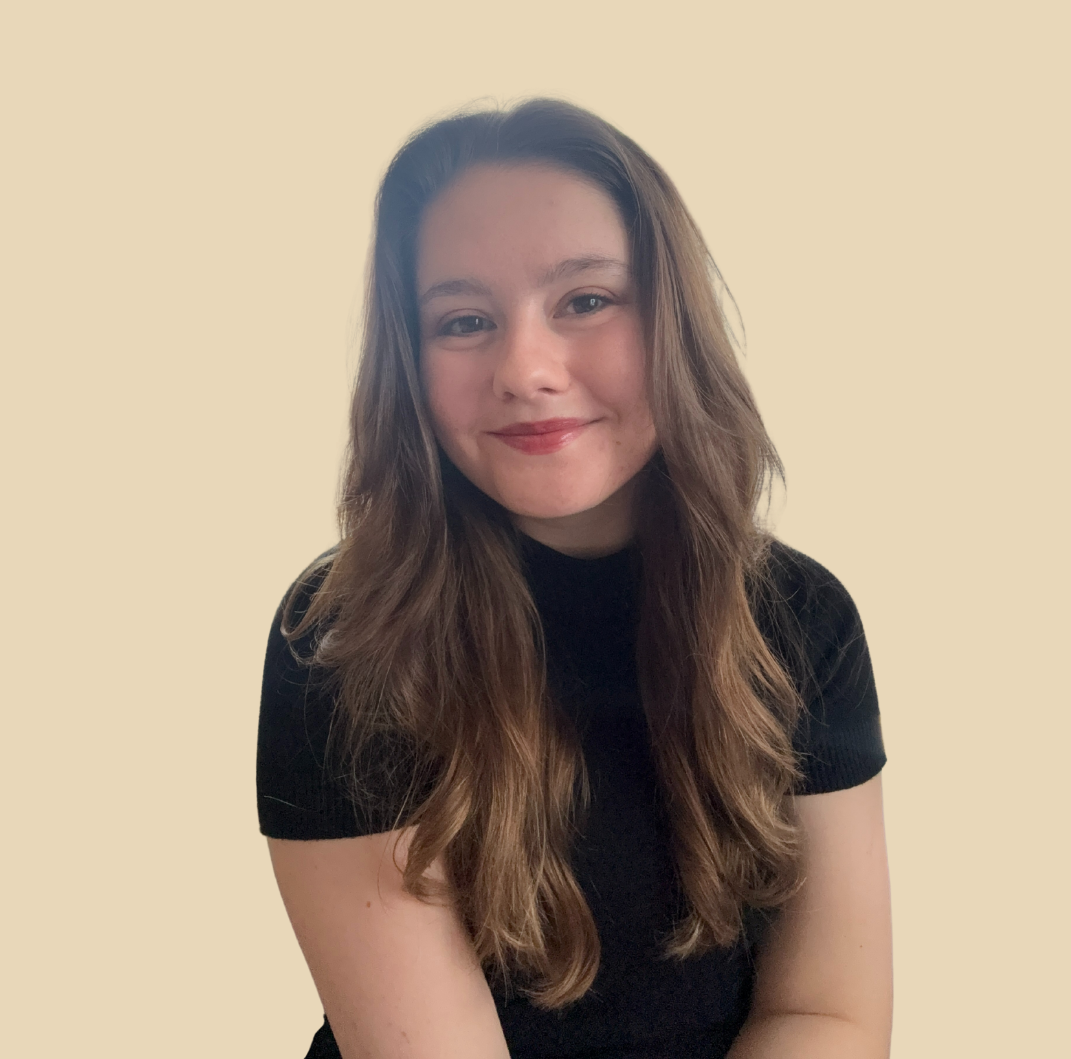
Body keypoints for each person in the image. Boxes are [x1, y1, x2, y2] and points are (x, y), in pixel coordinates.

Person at [256, 99, 892, 1059]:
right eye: (463, 321)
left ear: (671, 318)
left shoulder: (800, 620)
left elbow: (826, 1014)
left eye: (585, 301)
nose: (527, 367)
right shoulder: (345, 641)